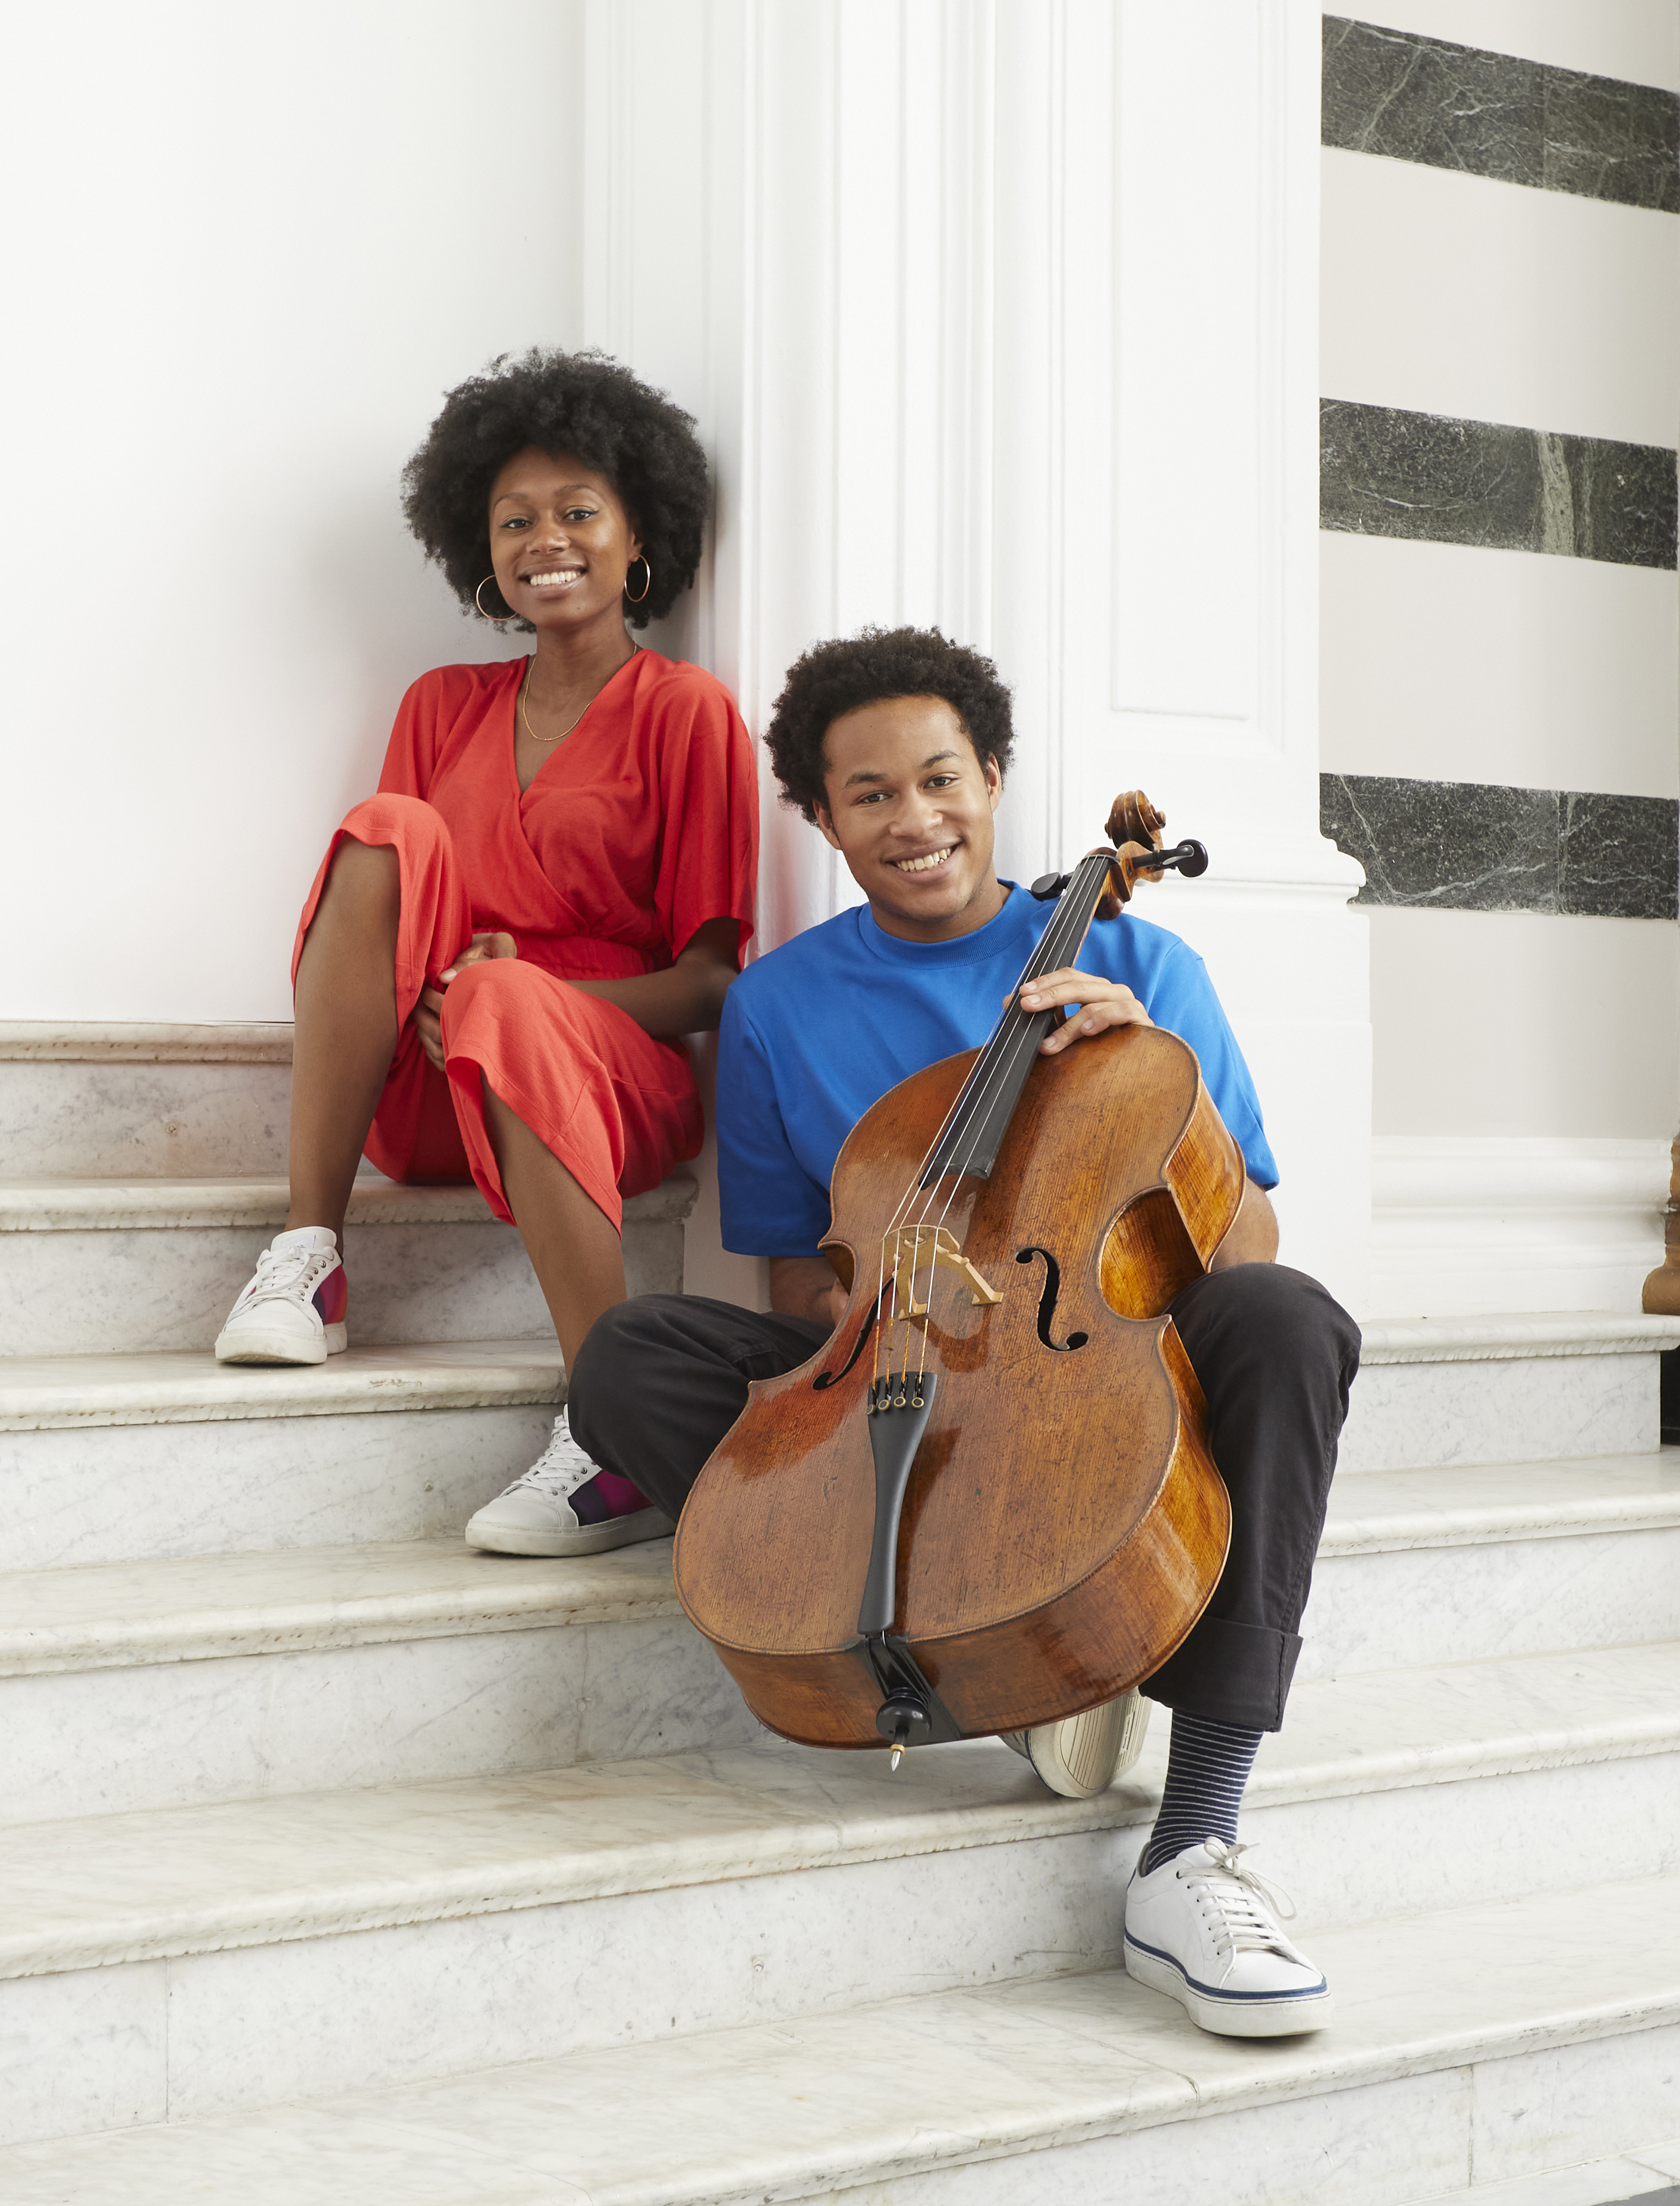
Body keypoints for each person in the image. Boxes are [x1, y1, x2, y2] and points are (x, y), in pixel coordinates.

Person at [541, 625, 1361, 2038]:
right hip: (899, 1338)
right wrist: (905, 1300)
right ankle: (954, 1618)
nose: (912, 820)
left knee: (1288, 1322)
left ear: (990, 776)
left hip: (1091, 1362)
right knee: (628, 1356)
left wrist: (1131, 1067)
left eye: (939, 779)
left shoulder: (1136, 959)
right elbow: (801, 1285)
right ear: (823, 817)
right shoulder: (779, 1004)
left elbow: (1242, 1243)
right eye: (869, 795)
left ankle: (1195, 1840)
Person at [212, 350, 757, 1559]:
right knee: (386, 827)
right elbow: (391, 905)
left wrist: (518, 991)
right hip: (433, 1080)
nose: (542, 538)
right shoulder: (441, 703)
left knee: (505, 994)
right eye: (513, 519)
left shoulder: (685, 710)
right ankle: (310, 1252)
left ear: (636, 539)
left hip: (610, 1078)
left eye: (576, 511)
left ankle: (614, 1434)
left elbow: (711, 978)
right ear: (481, 548)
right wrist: (444, 995)